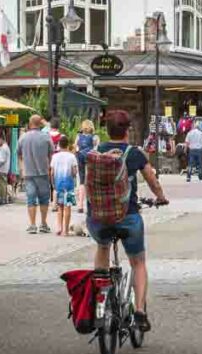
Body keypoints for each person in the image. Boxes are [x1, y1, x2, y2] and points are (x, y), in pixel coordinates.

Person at [87, 110, 168, 333]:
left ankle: (100, 291)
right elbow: (152, 180)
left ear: (106, 129)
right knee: (138, 262)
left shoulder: (94, 152)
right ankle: (140, 311)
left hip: (98, 218)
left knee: (102, 245)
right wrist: (160, 198)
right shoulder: (135, 154)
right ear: (127, 130)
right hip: (127, 217)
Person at [18, 114, 53, 234]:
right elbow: (51, 153)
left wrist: (22, 167)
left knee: (31, 199)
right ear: (40, 123)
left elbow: (18, 153)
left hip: (28, 173)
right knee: (44, 199)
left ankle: (32, 225)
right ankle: (43, 223)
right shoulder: (46, 137)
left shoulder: (23, 137)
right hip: (43, 172)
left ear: (30, 123)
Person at [49, 135, 79, 236]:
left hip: (58, 185)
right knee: (68, 207)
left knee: (60, 207)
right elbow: (74, 172)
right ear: (68, 145)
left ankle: (59, 228)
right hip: (69, 185)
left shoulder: (55, 157)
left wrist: (53, 184)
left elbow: (52, 172)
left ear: (59, 145)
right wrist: (73, 176)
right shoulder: (72, 156)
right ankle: (65, 230)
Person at [75, 120, 98, 212]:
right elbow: (96, 149)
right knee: (91, 181)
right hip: (91, 158)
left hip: (80, 157)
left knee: (81, 181)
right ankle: (92, 205)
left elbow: (75, 147)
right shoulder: (95, 137)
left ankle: (80, 205)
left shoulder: (78, 136)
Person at [0, 129, 12, 205]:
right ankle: (2, 198)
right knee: (2, 184)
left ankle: (3, 199)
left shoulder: (4, 148)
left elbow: (2, 160)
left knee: (2, 185)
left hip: (2, 169)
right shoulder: (4, 147)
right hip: (3, 169)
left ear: (1, 139)